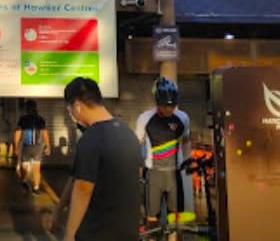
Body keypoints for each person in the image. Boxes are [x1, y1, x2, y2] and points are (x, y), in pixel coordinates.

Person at [63, 77, 141, 241]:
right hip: (128, 230)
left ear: (77, 105)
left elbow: (83, 189)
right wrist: (58, 211)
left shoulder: (91, 137)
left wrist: (69, 235)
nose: (72, 114)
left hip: (98, 232)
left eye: (70, 109)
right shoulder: (128, 132)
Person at [136, 77, 190, 234]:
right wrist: (137, 169)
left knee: (175, 220)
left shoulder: (183, 118)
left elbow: (186, 140)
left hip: (174, 172)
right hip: (153, 174)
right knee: (152, 220)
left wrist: (187, 161)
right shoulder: (144, 118)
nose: (168, 110)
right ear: (157, 101)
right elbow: (137, 143)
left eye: (172, 106)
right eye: (165, 106)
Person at [13, 99, 51, 195]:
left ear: (26, 108)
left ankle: (24, 181)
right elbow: (44, 132)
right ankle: (36, 188)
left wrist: (16, 146)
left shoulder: (23, 119)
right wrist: (48, 146)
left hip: (27, 147)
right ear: (36, 108)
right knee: (36, 168)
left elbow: (18, 133)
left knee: (24, 166)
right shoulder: (40, 119)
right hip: (38, 147)